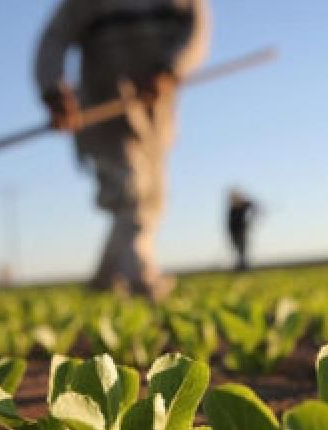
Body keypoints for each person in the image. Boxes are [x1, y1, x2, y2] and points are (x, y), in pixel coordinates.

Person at [35, 0, 211, 300]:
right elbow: (54, 40)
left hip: (155, 113)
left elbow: (195, 32)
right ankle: (142, 279)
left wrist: (170, 69)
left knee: (152, 199)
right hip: (104, 108)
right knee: (130, 194)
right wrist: (53, 90)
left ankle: (104, 281)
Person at [227, 189, 257, 271]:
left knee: (242, 250)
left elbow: (254, 206)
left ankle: (243, 267)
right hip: (234, 233)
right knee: (239, 251)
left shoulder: (243, 205)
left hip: (241, 231)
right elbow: (229, 223)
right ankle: (241, 266)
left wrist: (251, 220)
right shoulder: (232, 209)